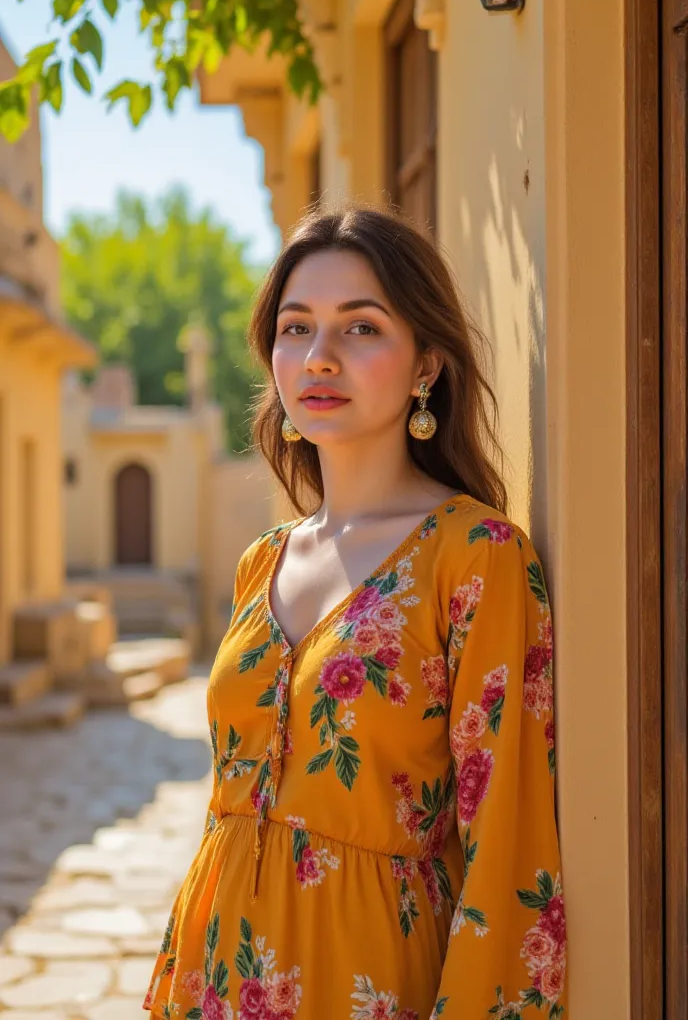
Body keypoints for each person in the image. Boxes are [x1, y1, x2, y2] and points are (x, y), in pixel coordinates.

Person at [143, 204, 567, 1020]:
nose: (319, 358)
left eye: (361, 329)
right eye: (296, 328)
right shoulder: (263, 562)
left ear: (425, 367)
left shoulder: (475, 557)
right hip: (217, 977)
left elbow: (509, 848)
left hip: (369, 981)